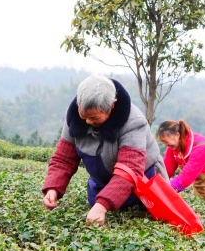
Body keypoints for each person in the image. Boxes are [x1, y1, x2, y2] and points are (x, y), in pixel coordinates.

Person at [41, 74, 166, 226]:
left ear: (112, 106)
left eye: (94, 117)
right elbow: (64, 159)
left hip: (142, 184)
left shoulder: (133, 122)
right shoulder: (73, 117)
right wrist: (53, 189)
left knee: (137, 221)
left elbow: (129, 170)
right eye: (84, 115)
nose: (87, 121)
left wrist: (102, 205)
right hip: (101, 183)